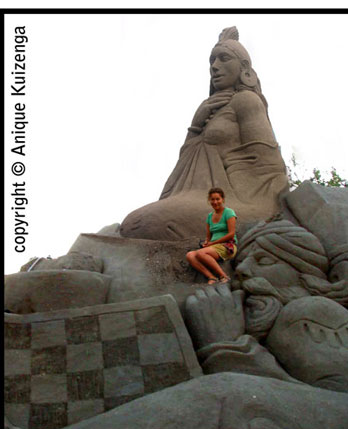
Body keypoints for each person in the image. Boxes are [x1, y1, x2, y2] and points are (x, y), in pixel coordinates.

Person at [120, 27, 288, 241]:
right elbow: (183, 168)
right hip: (192, 197)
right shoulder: (209, 109)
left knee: (147, 223)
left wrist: (252, 205)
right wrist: (196, 125)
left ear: (244, 68)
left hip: (235, 203)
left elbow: (268, 168)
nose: (215, 67)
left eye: (223, 58)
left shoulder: (246, 100)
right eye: (212, 61)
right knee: (136, 223)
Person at [186, 188, 237, 285]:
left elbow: (231, 234)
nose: (215, 202)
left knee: (200, 253)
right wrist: (206, 243)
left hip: (227, 245)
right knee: (190, 255)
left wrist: (212, 243)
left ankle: (224, 276)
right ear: (209, 200)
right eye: (212, 199)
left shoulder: (229, 212)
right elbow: (208, 236)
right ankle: (211, 277)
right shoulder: (210, 216)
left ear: (223, 199)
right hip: (213, 247)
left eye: (217, 199)